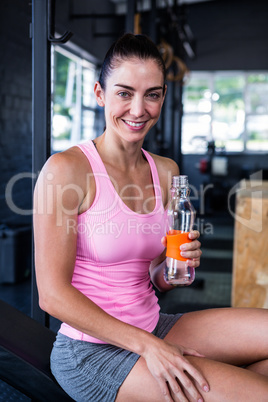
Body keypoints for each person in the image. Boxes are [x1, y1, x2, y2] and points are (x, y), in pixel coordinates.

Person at [33, 33, 268, 402]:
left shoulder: (166, 171)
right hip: (92, 351)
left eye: (152, 94)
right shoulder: (66, 170)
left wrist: (174, 268)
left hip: (155, 326)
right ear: (99, 94)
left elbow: (156, 277)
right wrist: (149, 348)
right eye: (124, 93)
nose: (138, 109)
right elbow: (52, 296)